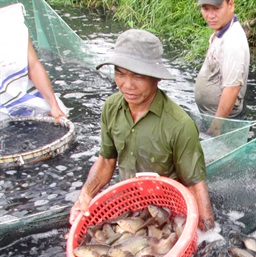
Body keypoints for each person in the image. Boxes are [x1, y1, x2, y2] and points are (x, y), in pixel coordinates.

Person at [69, 29, 215, 231]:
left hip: (167, 215)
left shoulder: (179, 125)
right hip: (127, 207)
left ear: (157, 78)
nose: (127, 85)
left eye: (138, 76)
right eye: (120, 73)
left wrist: (208, 233)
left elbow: (195, 184)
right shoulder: (111, 107)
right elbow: (106, 160)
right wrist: (85, 194)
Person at [0, 3, 68, 122]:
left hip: (27, 102)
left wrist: (54, 105)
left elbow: (34, 66)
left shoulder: (10, 24)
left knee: (58, 115)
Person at [194, 0, 250, 135]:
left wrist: (216, 126)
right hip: (211, 116)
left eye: (216, 9)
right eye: (206, 9)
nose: (210, 15)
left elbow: (232, 88)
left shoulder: (233, 42)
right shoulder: (221, 31)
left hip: (225, 123)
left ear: (231, 5)